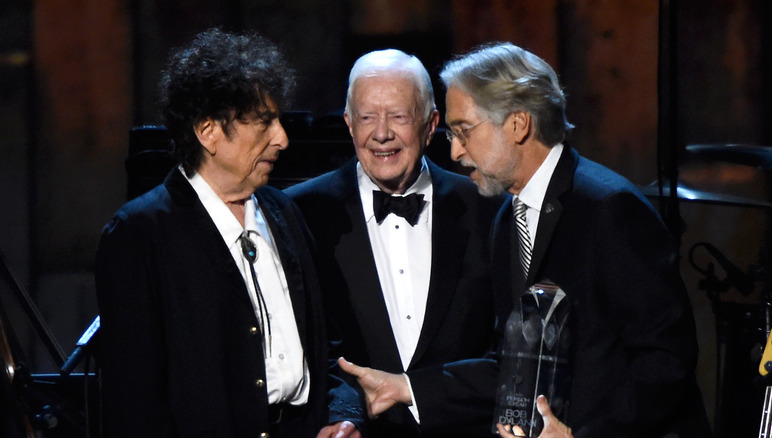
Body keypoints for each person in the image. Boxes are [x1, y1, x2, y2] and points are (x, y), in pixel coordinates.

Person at [438, 42, 713, 438]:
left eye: (464, 130)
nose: (455, 149)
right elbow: (515, 356)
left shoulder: (610, 208)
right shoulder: (504, 219)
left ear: (518, 124)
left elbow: (665, 358)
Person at [95, 28, 351, 438]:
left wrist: (340, 415)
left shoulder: (283, 211)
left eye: (279, 121)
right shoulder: (140, 235)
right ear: (208, 131)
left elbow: (328, 347)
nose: (282, 139)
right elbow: (134, 404)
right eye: (264, 123)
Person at [285, 49, 505, 437]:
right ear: (349, 124)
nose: (381, 133)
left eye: (398, 116)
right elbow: (300, 351)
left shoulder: (488, 208)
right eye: (367, 117)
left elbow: (507, 355)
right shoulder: (301, 213)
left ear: (430, 123)